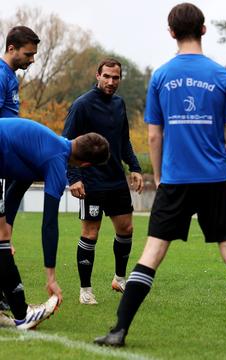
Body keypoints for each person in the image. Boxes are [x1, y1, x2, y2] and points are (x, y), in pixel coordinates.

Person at [94, 3, 226, 350]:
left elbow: (153, 136)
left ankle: (118, 330)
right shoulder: (222, 75)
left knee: (152, 253)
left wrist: (160, 176)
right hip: (215, 179)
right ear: (204, 30)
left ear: (171, 32)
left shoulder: (161, 77)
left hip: (175, 180)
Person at [0, 117, 109, 329]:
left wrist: (8, 230)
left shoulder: (48, 144)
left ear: (77, 138)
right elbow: (49, 224)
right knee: (1, 239)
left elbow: (15, 192)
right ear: (86, 164)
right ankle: (22, 315)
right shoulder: (56, 163)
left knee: (2, 237)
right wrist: (51, 277)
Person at [62, 58, 143, 305]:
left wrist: (135, 167)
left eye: (115, 77)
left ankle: (119, 278)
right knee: (91, 233)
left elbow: (124, 140)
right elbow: (66, 144)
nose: (110, 81)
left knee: (126, 229)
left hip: (116, 180)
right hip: (91, 181)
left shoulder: (119, 104)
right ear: (97, 75)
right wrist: (74, 178)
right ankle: (85, 290)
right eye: (106, 76)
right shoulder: (82, 105)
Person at [0, 25, 40, 311]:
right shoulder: (0, 76)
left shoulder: (11, 78)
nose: (32, 59)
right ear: (11, 48)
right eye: (28, 54)